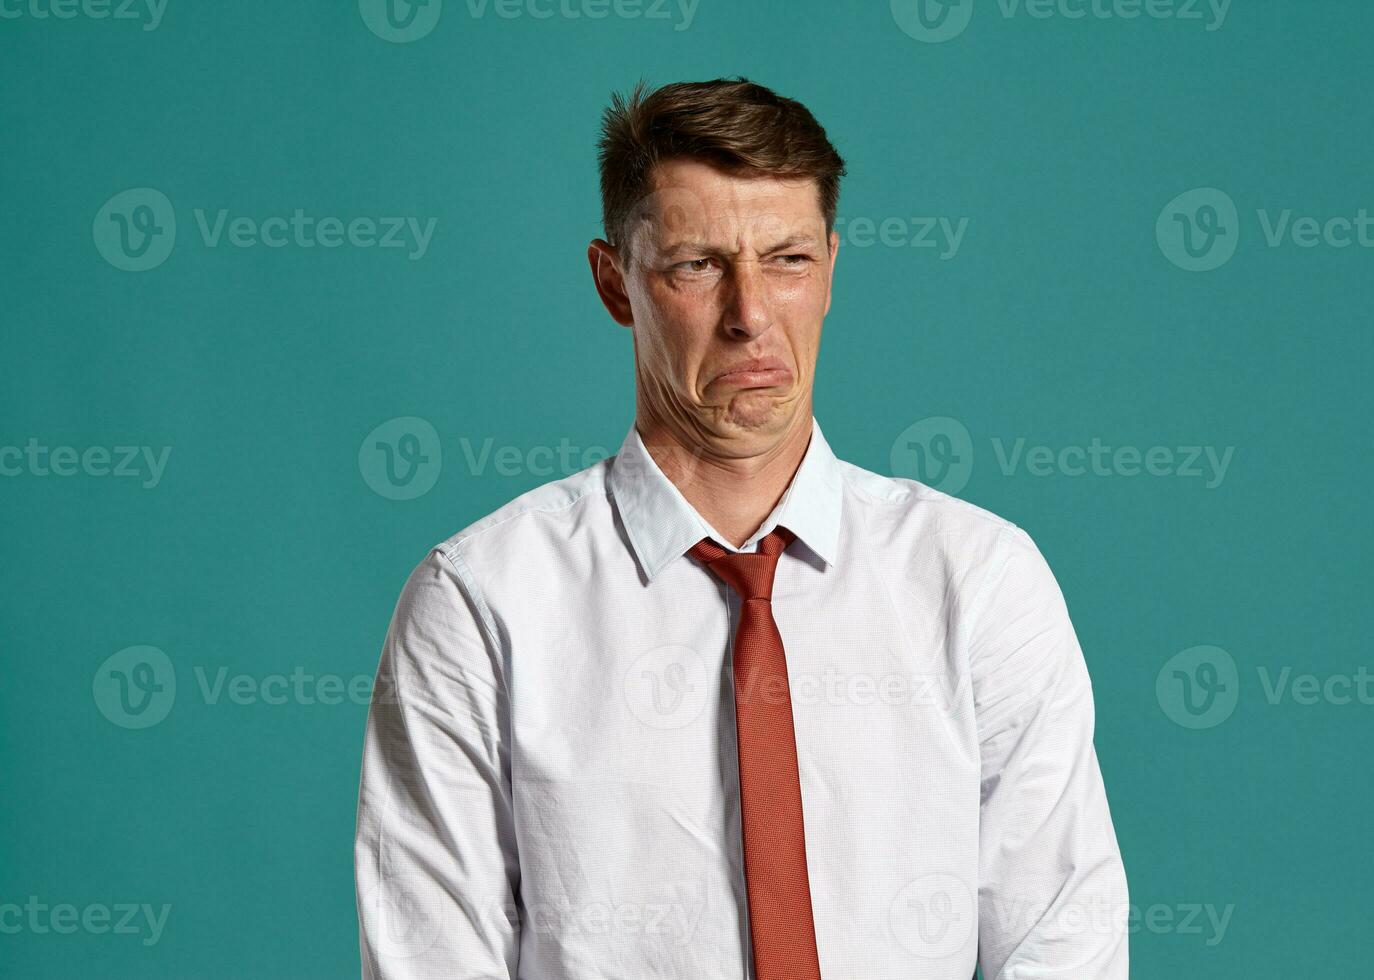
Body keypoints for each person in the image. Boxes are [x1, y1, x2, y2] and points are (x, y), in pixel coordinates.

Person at [355, 76, 1128, 980]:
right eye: (697, 265)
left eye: (788, 260)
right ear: (615, 283)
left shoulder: (981, 579)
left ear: (832, 271)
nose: (751, 315)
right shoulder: (481, 602)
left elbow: (1060, 945)